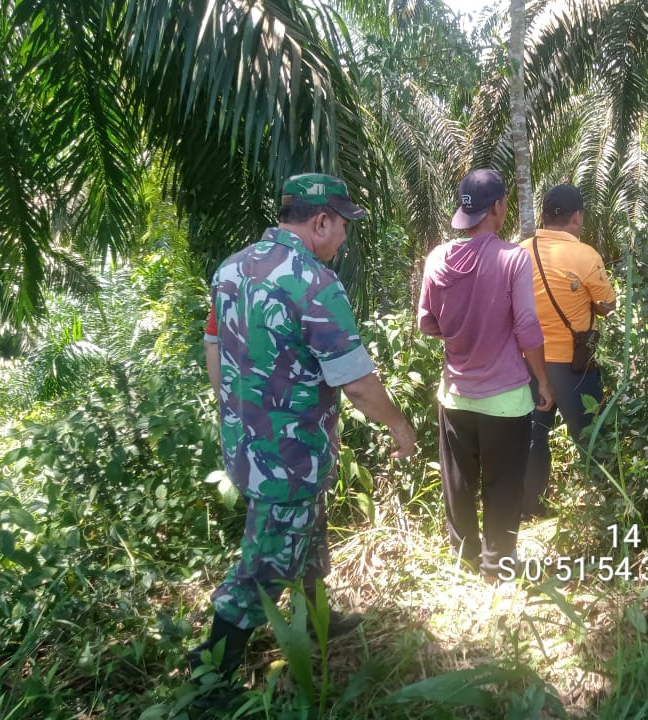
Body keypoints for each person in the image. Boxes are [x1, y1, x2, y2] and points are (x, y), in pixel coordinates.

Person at [193, 173, 416, 691]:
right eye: (342, 225)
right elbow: (357, 383)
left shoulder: (231, 269)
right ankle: (208, 674)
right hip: (288, 455)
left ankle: (317, 624)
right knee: (265, 563)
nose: (344, 237)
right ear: (320, 222)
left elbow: (212, 346)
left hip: (246, 444)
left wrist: (235, 410)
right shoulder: (314, 283)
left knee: (307, 533)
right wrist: (400, 427)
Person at [417, 168, 555, 581]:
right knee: (504, 483)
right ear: (497, 208)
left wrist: (462, 334)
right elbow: (527, 328)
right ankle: (497, 566)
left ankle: (465, 558)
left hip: (456, 395)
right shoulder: (513, 258)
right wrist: (543, 381)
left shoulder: (437, 258)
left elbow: (427, 323)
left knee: (458, 484)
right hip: (506, 398)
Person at [520, 184, 616, 519]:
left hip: (529, 363)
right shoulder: (586, 255)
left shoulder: (518, 253)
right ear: (577, 216)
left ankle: (530, 508)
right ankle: (603, 510)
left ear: (545, 216)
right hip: (576, 365)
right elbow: (607, 306)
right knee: (590, 437)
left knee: (534, 435)